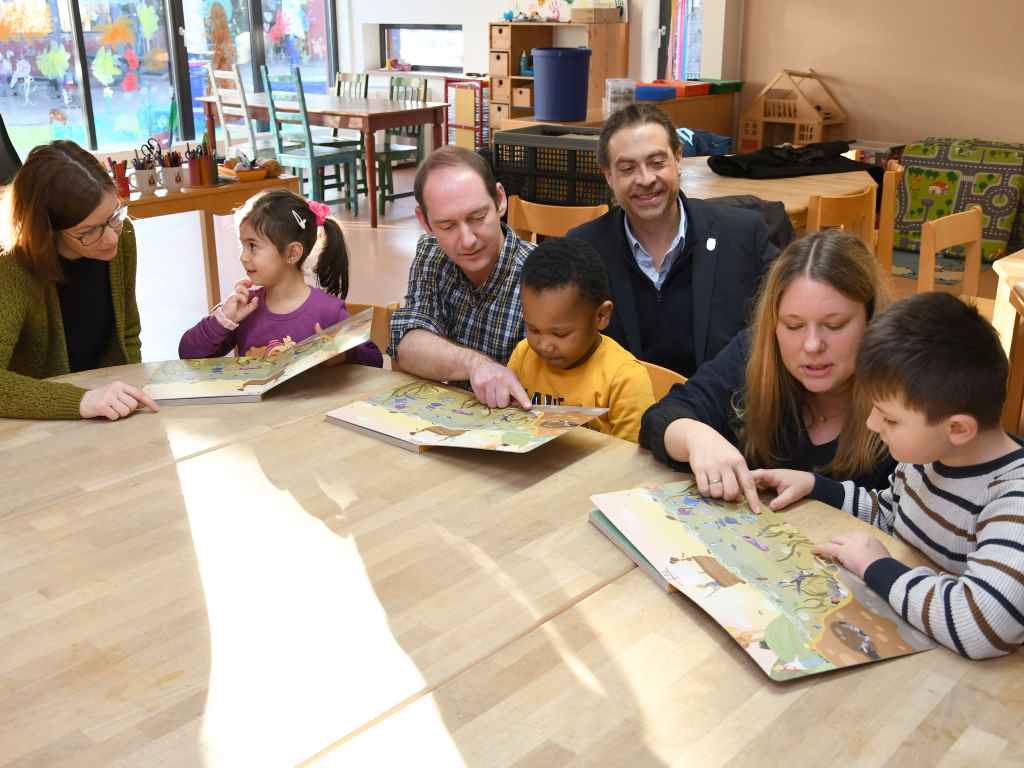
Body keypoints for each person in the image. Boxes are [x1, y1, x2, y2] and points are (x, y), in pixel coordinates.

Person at [752, 293, 1024, 659]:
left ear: (957, 428)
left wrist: (877, 567)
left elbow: (979, 625)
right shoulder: (927, 457)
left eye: (889, 418)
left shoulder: (1013, 500)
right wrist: (817, 486)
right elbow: (893, 513)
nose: (871, 424)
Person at [639, 229, 895, 510]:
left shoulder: (906, 391)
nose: (812, 345)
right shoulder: (753, 352)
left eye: (834, 326)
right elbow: (661, 417)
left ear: (871, 321)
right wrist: (695, 436)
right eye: (793, 325)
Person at [567, 103, 777, 377]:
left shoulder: (741, 235)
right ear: (609, 176)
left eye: (657, 163)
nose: (645, 179)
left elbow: (783, 321)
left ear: (678, 159)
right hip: (624, 415)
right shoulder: (584, 250)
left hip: (718, 412)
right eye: (628, 168)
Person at [0, 140, 159, 421]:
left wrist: (128, 390)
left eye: (113, 216)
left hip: (101, 412)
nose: (111, 237)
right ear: (46, 231)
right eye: (89, 231)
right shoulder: (12, 266)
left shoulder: (123, 236)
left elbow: (128, 331)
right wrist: (81, 402)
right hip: (33, 425)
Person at [389, 145, 534, 408]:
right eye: (447, 226)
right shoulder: (431, 254)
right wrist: (474, 364)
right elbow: (407, 343)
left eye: (477, 217)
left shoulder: (537, 275)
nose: (467, 240)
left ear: (500, 200)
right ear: (425, 222)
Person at [179, 190, 382, 367]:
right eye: (243, 245)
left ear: (292, 253)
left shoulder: (328, 311)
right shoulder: (246, 308)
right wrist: (222, 319)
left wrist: (343, 354)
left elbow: (374, 361)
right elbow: (188, 355)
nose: (243, 256)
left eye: (253, 246)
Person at [507, 237, 656, 442]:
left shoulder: (623, 379)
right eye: (533, 329)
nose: (544, 345)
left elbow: (633, 461)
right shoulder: (523, 355)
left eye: (559, 334)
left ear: (601, 316)